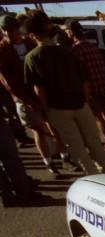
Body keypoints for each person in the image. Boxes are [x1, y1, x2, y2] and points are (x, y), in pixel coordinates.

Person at [23, 11, 105, 174]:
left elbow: (39, 89)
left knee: (78, 150)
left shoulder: (32, 58)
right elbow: (84, 81)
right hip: (80, 105)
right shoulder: (68, 52)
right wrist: (87, 100)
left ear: (32, 35)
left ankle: (94, 181)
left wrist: (45, 111)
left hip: (58, 109)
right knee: (96, 145)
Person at [0, 14, 62, 175]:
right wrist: (23, 100)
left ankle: (64, 154)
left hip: (41, 91)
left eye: (12, 29)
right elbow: (7, 80)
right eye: (6, 30)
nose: (10, 33)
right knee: (38, 129)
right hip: (24, 96)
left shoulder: (30, 43)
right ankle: (48, 162)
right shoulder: (2, 50)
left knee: (54, 124)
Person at [67, 20, 105, 145]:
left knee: (99, 117)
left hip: (91, 89)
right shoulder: (94, 47)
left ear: (71, 32)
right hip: (102, 85)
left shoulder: (76, 50)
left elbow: (79, 73)